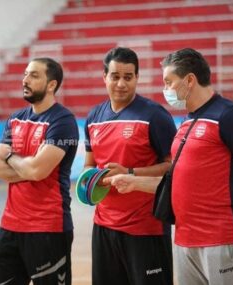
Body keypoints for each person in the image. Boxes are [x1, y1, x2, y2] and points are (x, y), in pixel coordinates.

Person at [106, 48, 233, 285]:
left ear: (190, 80)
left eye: (169, 82)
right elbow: (177, 182)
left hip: (220, 240)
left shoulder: (228, 115)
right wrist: (134, 181)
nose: (165, 89)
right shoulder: (186, 122)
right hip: (184, 240)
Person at [83, 47, 177, 285]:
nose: (121, 84)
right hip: (104, 227)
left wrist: (130, 173)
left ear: (137, 77)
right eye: (115, 76)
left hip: (146, 228)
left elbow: (173, 167)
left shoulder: (155, 116)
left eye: (128, 77)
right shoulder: (94, 117)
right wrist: (89, 183)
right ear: (104, 77)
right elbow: (89, 164)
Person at [0, 57, 79, 285]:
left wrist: (10, 156)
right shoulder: (15, 119)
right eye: (25, 74)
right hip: (9, 227)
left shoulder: (63, 121)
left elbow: (38, 170)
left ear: (52, 85)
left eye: (34, 75)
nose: (25, 80)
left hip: (48, 228)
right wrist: (28, 168)